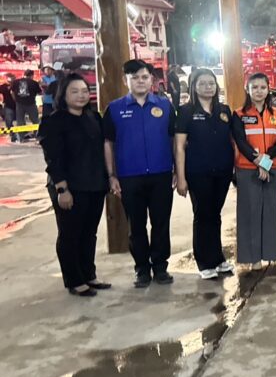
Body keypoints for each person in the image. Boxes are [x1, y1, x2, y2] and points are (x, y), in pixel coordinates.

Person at [103, 60, 176, 287]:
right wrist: (111, 175)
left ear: (151, 79)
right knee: (136, 226)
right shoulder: (114, 109)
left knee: (161, 223)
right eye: (134, 77)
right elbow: (108, 143)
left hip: (161, 173)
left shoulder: (165, 106)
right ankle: (142, 269)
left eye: (144, 77)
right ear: (126, 80)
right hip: (129, 177)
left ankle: (160, 267)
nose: (140, 81)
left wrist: (176, 169)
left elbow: (174, 139)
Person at [39, 73, 111, 297]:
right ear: (63, 95)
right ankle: (74, 280)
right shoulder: (54, 121)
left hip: (94, 184)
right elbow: (53, 158)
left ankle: (89, 274)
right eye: (75, 91)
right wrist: (62, 189)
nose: (81, 95)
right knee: (70, 234)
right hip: (69, 187)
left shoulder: (93, 117)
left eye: (84, 91)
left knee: (89, 233)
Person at [174, 68, 236, 280]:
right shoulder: (186, 111)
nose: (208, 87)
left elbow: (232, 141)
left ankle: (218, 258)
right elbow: (179, 147)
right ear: (194, 86)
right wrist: (181, 178)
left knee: (215, 214)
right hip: (198, 172)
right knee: (202, 215)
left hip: (223, 171)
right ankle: (204, 262)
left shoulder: (224, 110)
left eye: (211, 83)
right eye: (202, 83)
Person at [232, 72, 276, 271]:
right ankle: (252, 257)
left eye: (263, 87)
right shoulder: (239, 114)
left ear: (268, 89)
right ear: (248, 90)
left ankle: (275, 253)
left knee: (273, 211)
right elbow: (241, 141)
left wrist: (266, 162)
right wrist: (258, 162)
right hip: (247, 170)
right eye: (254, 87)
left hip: (272, 168)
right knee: (250, 212)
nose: (259, 91)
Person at [14, 69, 42, 141]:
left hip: (19, 104)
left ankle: (21, 138)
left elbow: (12, 91)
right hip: (31, 104)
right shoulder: (34, 83)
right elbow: (40, 92)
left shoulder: (16, 82)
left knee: (20, 121)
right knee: (35, 120)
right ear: (32, 75)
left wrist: (16, 99)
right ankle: (37, 136)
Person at [1, 73, 16, 140]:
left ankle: (21, 133)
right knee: (9, 121)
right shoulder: (3, 86)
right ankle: (12, 134)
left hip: (18, 106)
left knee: (20, 121)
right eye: (11, 77)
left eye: (13, 77)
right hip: (8, 106)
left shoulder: (17, 85)